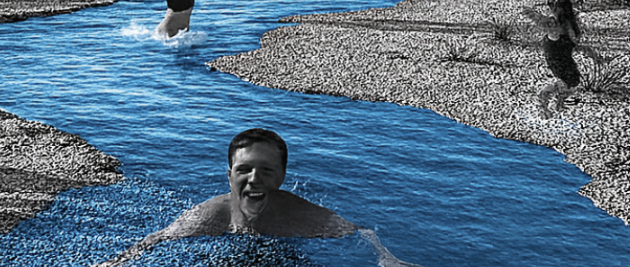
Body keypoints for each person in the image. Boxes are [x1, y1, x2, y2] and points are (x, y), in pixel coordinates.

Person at [92, 128, 421, 267]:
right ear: (229, 175)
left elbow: (360, 231)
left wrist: (385, 258)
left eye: (266, 171)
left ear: (282, 177)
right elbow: (159, 238)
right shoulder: (213, 214)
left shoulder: (297, 213)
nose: (254, 179)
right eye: (244, 170)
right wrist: (115, 262)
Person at [521, 0, 608, 118]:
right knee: (565, 82)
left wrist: (595, 56)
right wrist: (531, 13)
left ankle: (559, 103)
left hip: (565, 52)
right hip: (556, 55)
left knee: (573, 81)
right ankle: (543, 104)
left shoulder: (569, 22)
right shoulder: (554, 23)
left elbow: (578, 45)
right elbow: (540, 20)